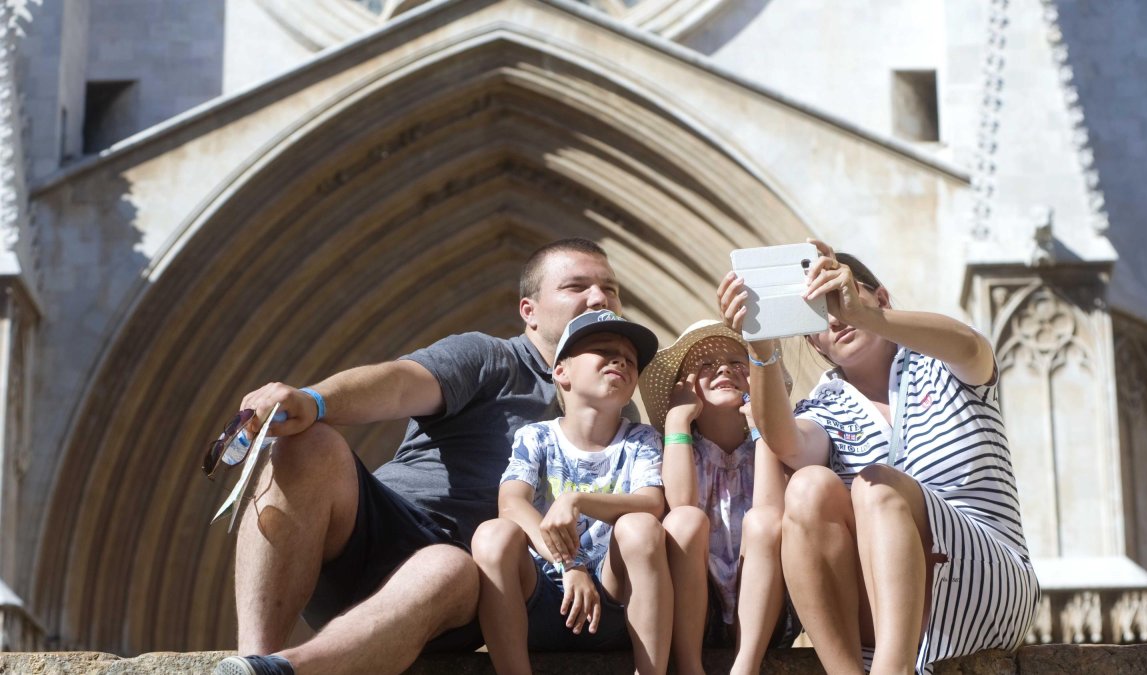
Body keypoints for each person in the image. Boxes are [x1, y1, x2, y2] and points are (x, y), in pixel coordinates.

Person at [212, 238, 626, 675]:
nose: (598, 298)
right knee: (309, 441)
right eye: (575, 286)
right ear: (530, 311)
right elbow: (400, 384)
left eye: (610, 289)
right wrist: (313, 400)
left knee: (448, 566)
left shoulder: (620, 414)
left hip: (464, 579)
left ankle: (288, 669)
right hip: (375, 526)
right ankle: (251, 660)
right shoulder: (491, 358)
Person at [717, 239, 1039, 675]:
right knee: (809, 487)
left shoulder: (941, 364)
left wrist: (868, 317)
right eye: (821, 314)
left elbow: (969, 345)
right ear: (815, 344)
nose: (836, 317)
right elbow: (784, 440)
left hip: (986, 584)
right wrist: (759, 347)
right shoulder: (823, 407)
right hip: (885, 609)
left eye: (841, 298)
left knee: (875, 486)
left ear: (880, 296)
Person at [471, 309, 671, 675]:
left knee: (640, 528)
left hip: (615, 601)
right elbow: (511, 504)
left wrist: (575, 499)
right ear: (561, 371)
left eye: (630, 359)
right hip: (545, 597)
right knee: (491, 534)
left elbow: (651, 502)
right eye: (603, 350)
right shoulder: (537, 436)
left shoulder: (641, 439)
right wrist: (570, 564)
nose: (620, 361)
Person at [640, 320, 797, 675]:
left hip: (764, 604)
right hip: (696, 603)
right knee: (684, 520)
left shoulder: (777, 445)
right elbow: (680, 505)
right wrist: (677, 422)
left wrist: (761, 422)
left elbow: (771, 512)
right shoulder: (677, 449)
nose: (723, 368)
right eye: (706, 365)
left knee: (763, 521)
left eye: (737, 362)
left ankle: (747, 665)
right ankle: (690, 665)